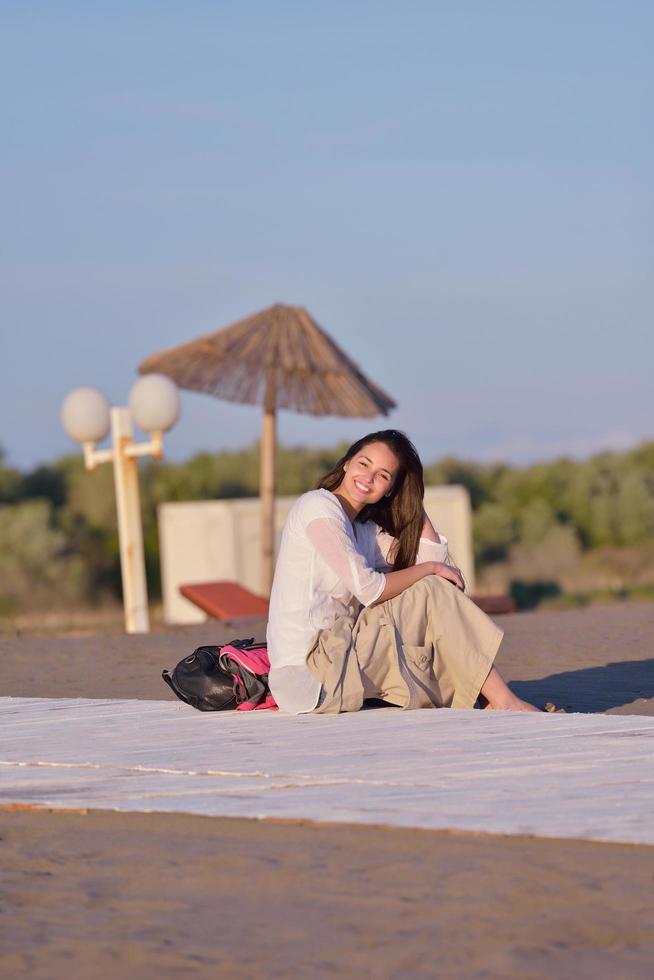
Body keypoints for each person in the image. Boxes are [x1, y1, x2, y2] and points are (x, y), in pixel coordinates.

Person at [266, 429, 538, 715]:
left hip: (337, 658)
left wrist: (411, 501)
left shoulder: (361, 532)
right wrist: (429, 569)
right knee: (427, 587)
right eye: (364, 463)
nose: (368, 477)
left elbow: (432, 561)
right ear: (347, 463)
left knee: (429, 587)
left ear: (390, 489)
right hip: (311, 674)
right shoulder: (317, 507)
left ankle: (494, 698)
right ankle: (502, 701)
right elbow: (370, 588)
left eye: (383, 475)